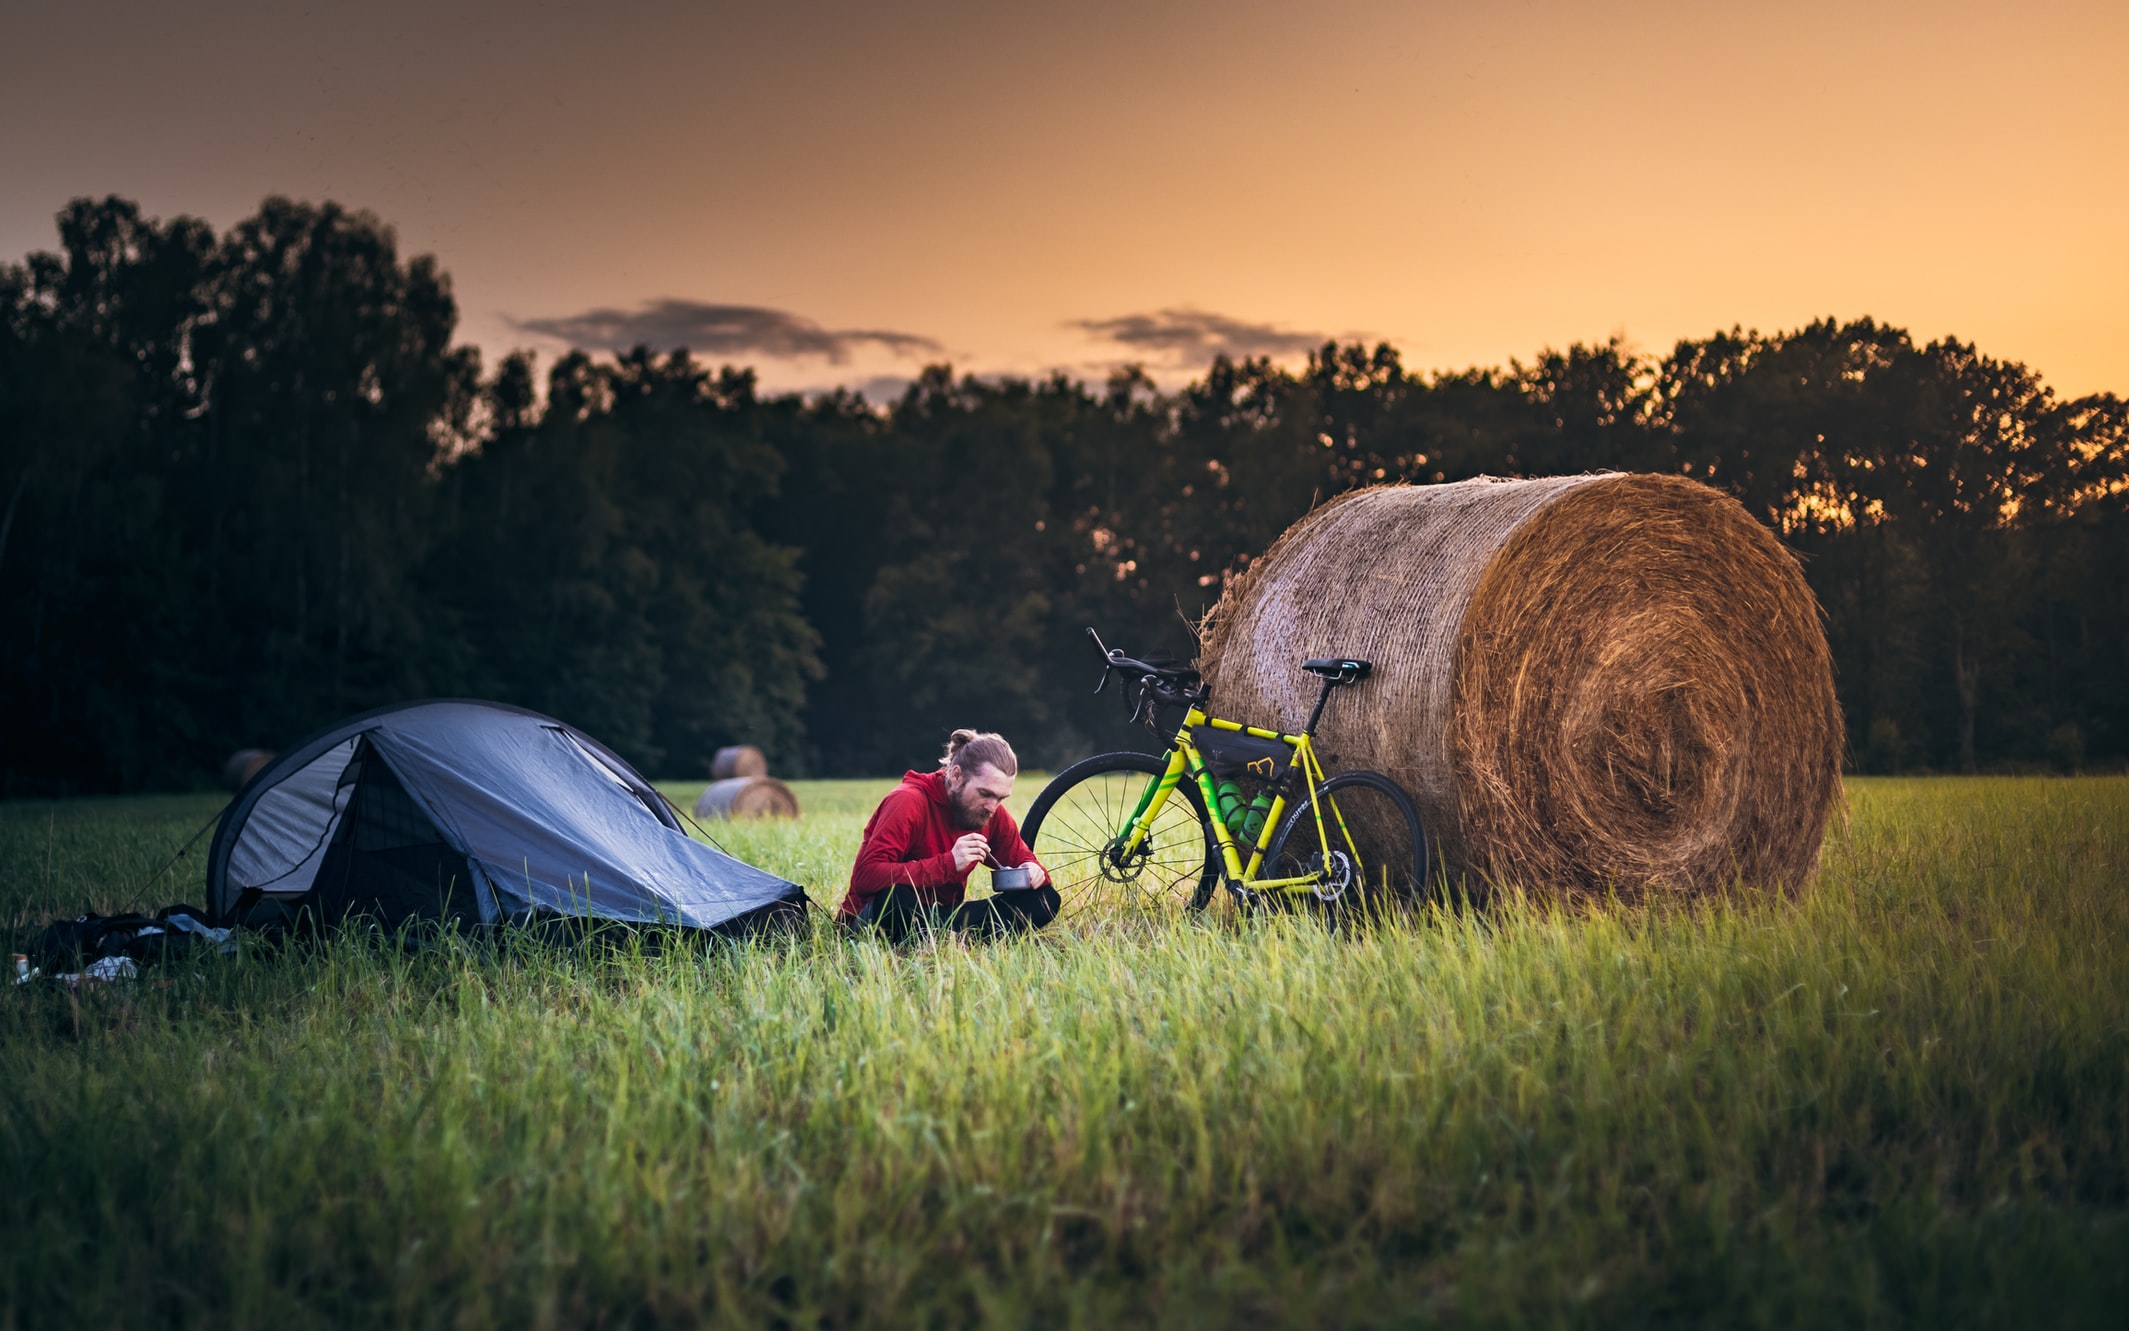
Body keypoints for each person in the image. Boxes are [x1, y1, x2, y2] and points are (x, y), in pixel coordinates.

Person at [838, 728, 1057, 942]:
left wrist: (1033, 871)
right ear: (956, 775)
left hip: (943, 914)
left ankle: (940, 935)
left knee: (1044, 899)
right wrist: (949, 863)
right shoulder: (908, 801)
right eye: (985, 794)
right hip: (877, 916)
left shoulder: (991, 812)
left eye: (1001, 798)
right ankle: (955, 935)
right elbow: (865, 877)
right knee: (897, 896)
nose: (992, 806)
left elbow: (1023, 859)